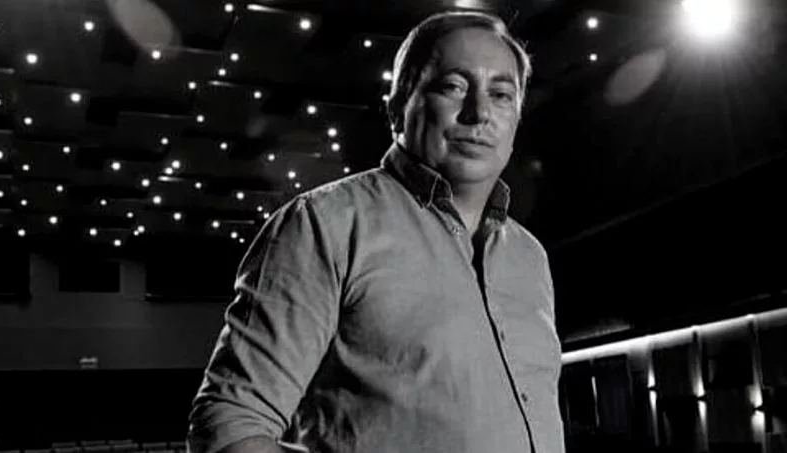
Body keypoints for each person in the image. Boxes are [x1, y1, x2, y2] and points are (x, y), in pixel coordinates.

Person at [187, 10, 564, 453]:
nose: (479, 113)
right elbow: (230, 430)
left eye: (501, 94)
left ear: (517, 118)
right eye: (452, 86)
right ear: (397, 108)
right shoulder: (325, 224)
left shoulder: (530, 256)